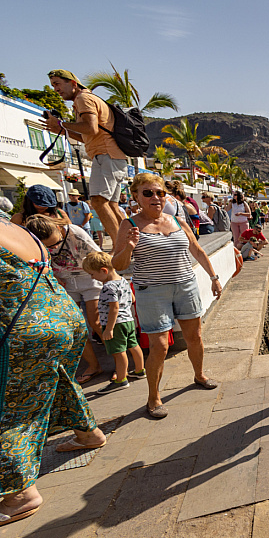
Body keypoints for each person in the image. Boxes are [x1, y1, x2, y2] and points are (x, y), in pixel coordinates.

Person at [0, 207, 106, 533]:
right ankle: (88, 434)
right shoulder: (8, 225)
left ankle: (19, 497)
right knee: (56, 379)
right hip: (59, 317)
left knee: (0, 408)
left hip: (18, 331)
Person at [112, 174, 222, 419]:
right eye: (148, 193)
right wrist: (129, 247)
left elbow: (197, 250)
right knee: (160, 346)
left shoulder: (177, 220)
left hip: (185, 285)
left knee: (195, 336)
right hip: (152, 291)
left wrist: (214, 278)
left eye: (160, 193)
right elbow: (117, 264)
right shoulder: (129, 225)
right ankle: (154, 397)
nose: (155, 198)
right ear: (136, 197)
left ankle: (199, 375)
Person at [46, 69, 126, 244]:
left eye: (58, 84)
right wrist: (62, 129)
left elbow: (91, 128)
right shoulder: (86, 99)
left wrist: (60, 123)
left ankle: (120, 247)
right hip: (112, 156)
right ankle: (128, 244)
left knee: (98, 202)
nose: (55, 89)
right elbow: (86, 136)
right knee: (111, 205)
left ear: (73, 83)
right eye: (53, 85)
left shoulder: (83, 98)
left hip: (106, 155)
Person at [25, 214, 105, 384]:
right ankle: (93, 365)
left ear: (58, 227)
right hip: (64, 281)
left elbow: (98, 256)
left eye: (56, 242)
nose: (54, 247)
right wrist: (52, 275)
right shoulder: (30, 241)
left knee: (96, 322)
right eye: (49, 246)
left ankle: (122, 363)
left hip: (89, 277)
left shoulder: (75, 232)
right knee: (74, 327)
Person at [82, 251, 146, 394]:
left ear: (103, 271)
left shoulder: (108, 287)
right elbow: (133, 300)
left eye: (92, 274)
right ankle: (140, 370)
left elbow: (114, 308)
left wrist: (108, 329)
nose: (93, 278)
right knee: (133, 345)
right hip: (128, 320)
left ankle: (121, 379)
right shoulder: (123, 281)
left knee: (118, 352)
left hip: (115, 324)